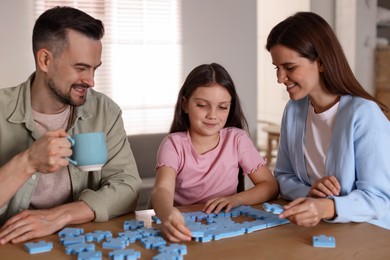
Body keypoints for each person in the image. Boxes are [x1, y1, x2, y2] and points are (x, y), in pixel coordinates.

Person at [0, 6, 142, 244]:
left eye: (94, 68)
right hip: (12, 244)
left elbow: (128, 187)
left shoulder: (105, 111)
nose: (91, 80)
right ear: (45, 60)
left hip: (83, 240)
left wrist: (60, 216)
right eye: (80, 68)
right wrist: (28, 162)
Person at [266, 12, 390, 229]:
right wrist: (311, 192)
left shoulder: (364, 114)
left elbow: (380, 199)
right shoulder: (294, 110)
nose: (280, 78)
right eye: (277, 68)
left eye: (290, 67)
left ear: (321, 63)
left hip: (369, 234)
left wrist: (326, 206)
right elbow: (283, 176)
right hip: (321, 229)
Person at [151, 63, 279, 242]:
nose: (213, 115)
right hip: (185, 229)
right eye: (202, 105)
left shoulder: (237, 139)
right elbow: (162, 189)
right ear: (185, 105)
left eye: (222, 107)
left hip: (227, 227)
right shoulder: (173, 144)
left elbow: (270, 186)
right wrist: (167, 215)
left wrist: (236, 200)